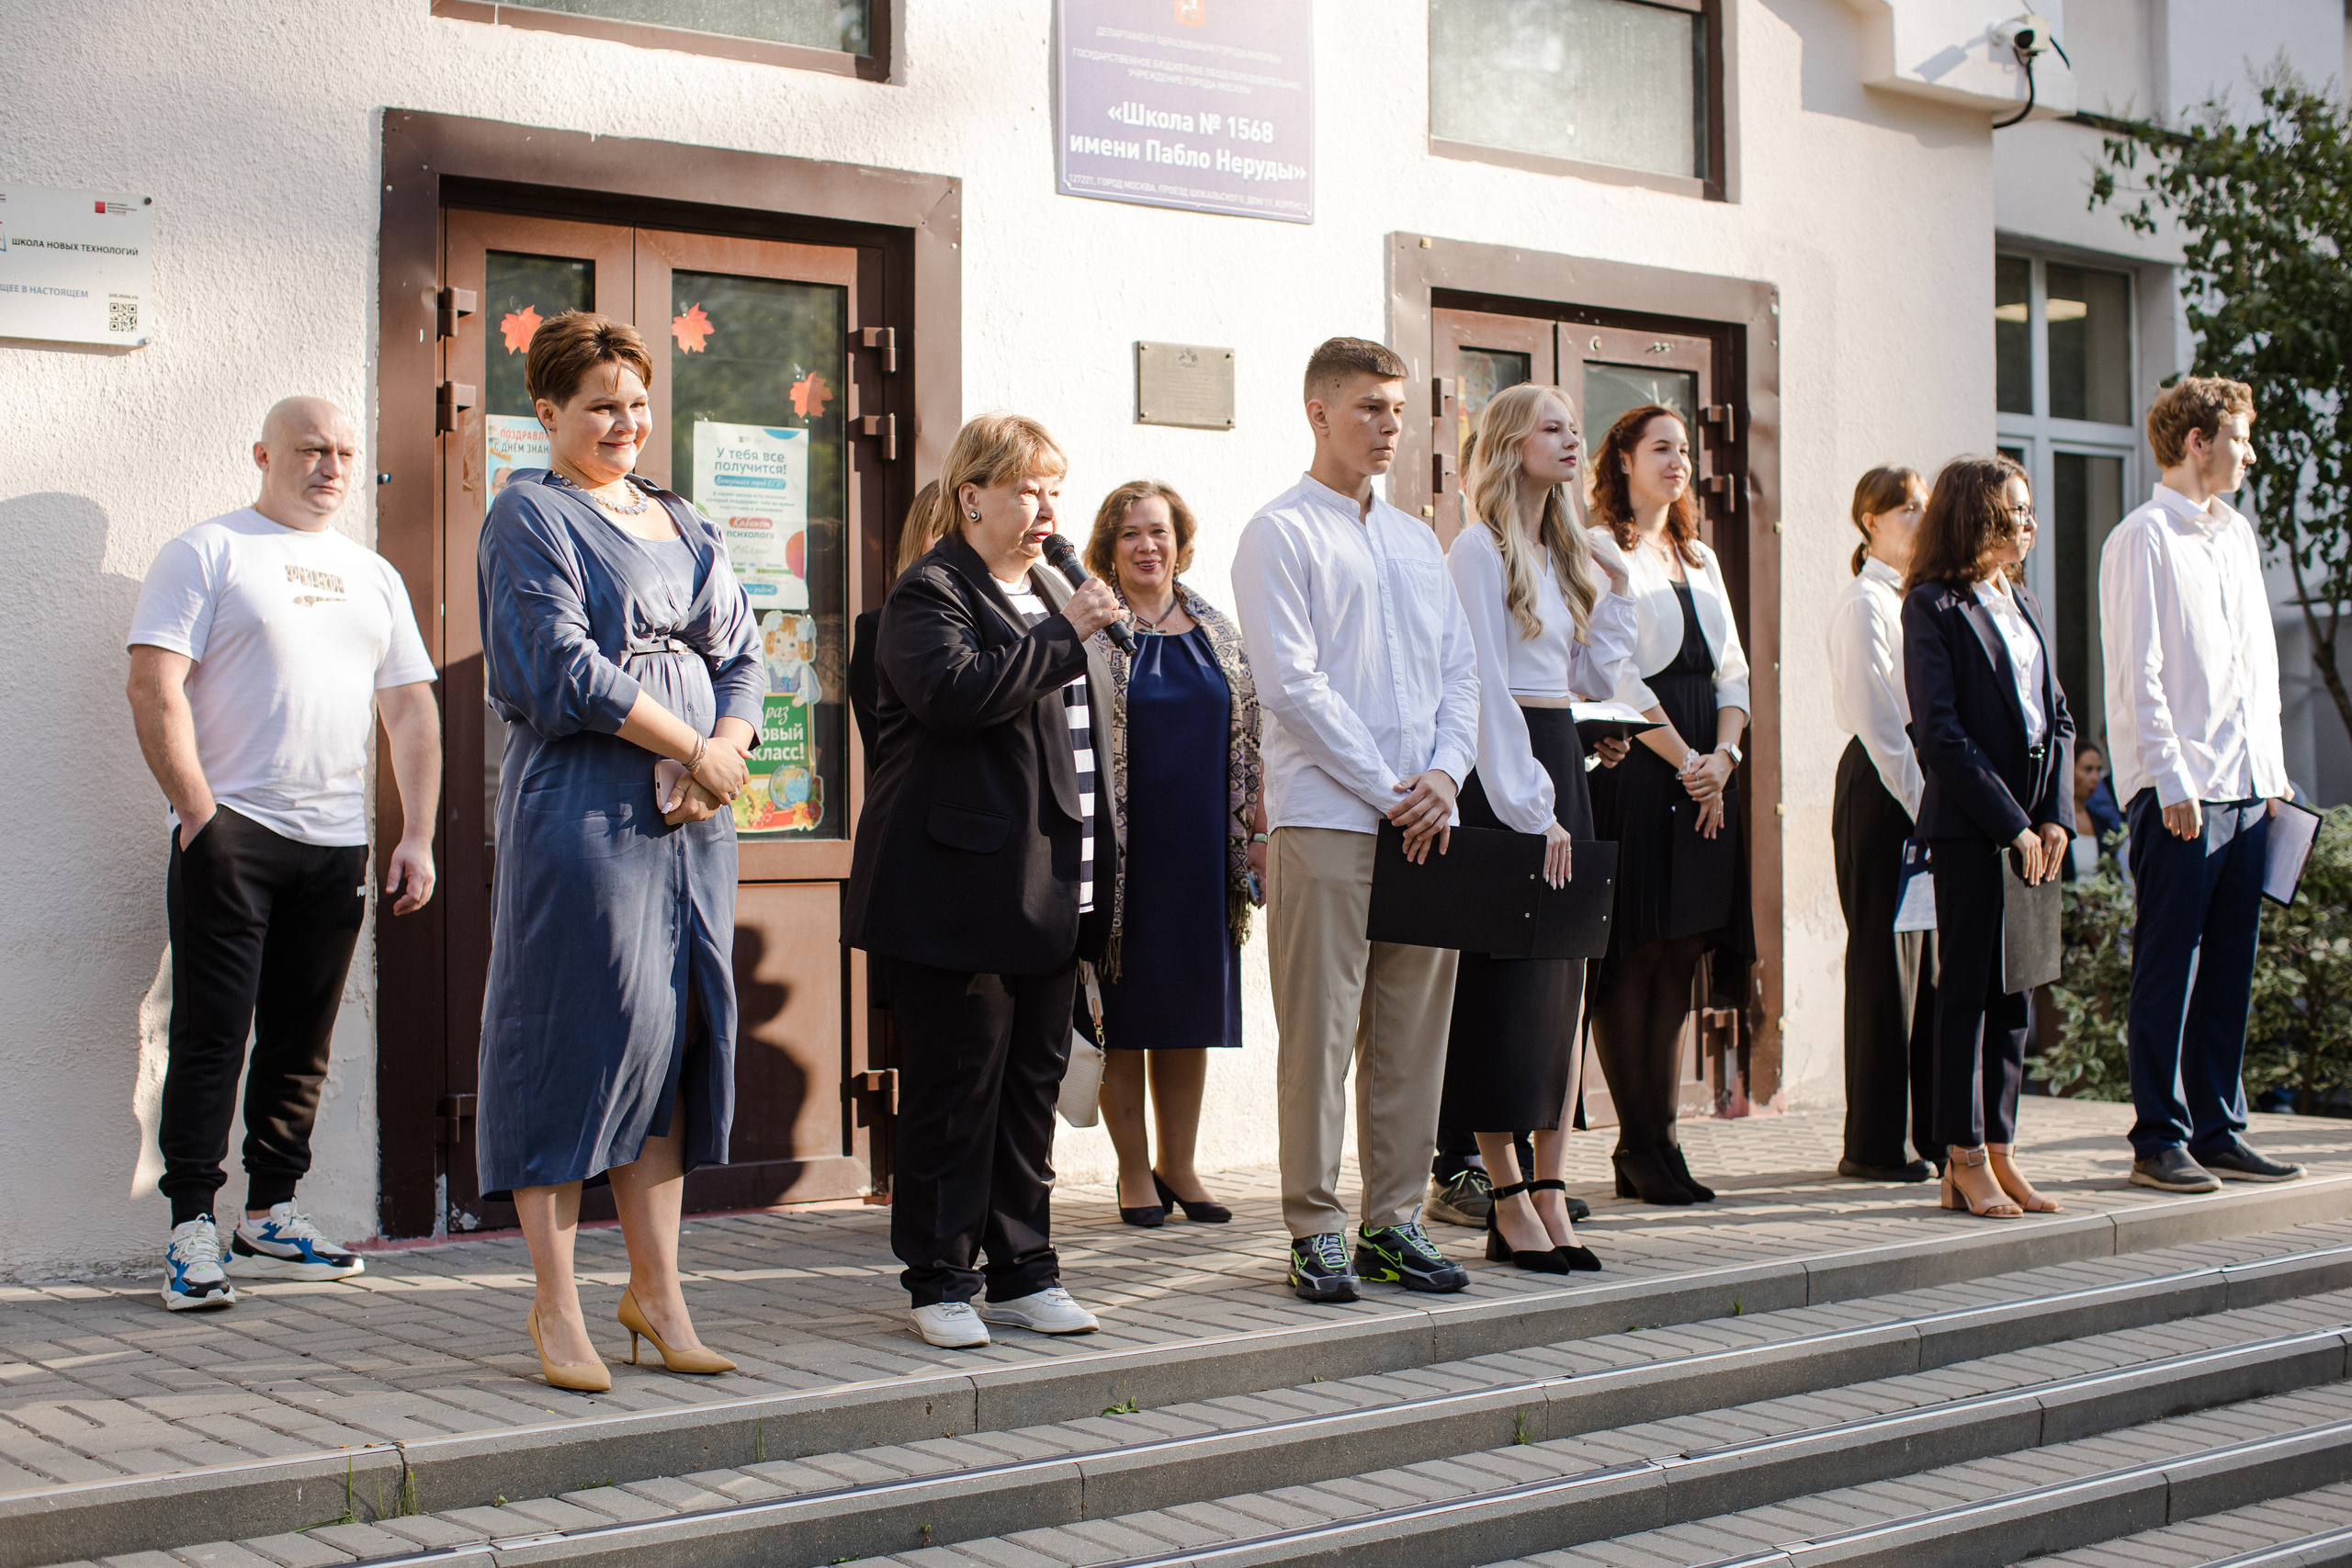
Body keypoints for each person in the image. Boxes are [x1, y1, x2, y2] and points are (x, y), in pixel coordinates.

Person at [476, 311, 762, 1390]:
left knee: (673, 1037)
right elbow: (560, 669)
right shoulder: (528, 516)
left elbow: (742, 655)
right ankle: (556, 1306)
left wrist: (721, 753)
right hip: (588, 812)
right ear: (547, 412)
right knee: (570, 1034)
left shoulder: (684, 521)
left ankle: (658, 1293)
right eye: (600, 406)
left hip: (694, 816)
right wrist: (693, 743)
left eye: (637, 405)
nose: (623, 424)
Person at [127, 397, 442, 1313]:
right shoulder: (208, 551)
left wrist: (415, 833)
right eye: (310, 449)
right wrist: (199, 814)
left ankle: (269, 1212)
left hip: (335, 840)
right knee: (211, 1033)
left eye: (344, 452)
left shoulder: (372, 575)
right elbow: (154, 685)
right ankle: (191, 1225)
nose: (330, 466)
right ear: (264, 453)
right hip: (234, 835)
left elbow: (412, 711)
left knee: (302, 1041)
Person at [843, 412, 1126, 1349]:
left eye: (1055, 488)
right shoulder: (932, 593)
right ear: (973, 498)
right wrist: (1066, 637)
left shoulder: (1051, 586)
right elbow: (958, 696)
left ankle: (1023, 1272)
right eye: (1027, 489)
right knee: (954, 1091)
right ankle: (936, 1279)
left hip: (1054, 886)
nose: (1048, 508)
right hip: (958, 896)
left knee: (1028, 1093)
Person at [1231, 336, 1480, 1304]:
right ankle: (1313, 1227)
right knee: (1321, 1033)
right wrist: (1390, 786)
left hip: (1428, 818)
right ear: (1319, 413)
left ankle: (1394, 1222)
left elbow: (1461, 674)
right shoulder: (1280, 533)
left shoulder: (1419, 540)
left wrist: (1447, 778)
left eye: (1396, 407)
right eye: (1370, 407)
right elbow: (1293, 688)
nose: (1389, 425)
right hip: (1332, 815)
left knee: (1413, 1033)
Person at [1437, 384, 1635, 1273]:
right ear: (1512, 441)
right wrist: (1528, 806)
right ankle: (1505, 1192)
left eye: (1572, 426)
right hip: (1507, 769)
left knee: (1566, 986)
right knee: (1507, 991)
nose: (1571, 439)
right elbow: (1478, 684)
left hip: (1560, 751)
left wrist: (1617, 578)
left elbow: (1599, 671)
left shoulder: (1563, 550)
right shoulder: (1477, 550)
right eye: (1552, 426)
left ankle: (1553, 1186)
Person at [2100, 376, 2303, 1192]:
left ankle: (2219, 1127)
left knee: (2229, 966)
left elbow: (2260, 671)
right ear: (2198, 441)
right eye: (2241, 438)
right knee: (2167, 965)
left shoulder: (2237, 536)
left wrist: (2276, 779)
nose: (2250, 452)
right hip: (2180, 793)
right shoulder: (2141, 538)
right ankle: (2159, 1136)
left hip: (2248, 789)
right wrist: (2172, 779)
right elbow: (2137, 673)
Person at [1080, 479, 1264, 1227]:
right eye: (1130, 534)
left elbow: (1252, 741)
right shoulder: (1094, 628)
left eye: (1158, 531)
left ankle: (1179, 1163)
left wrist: (1254, 835)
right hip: (1123, 850)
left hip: (1202, 848)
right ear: (1108, 547)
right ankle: (1132, 1170)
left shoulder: (1217, 629)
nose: (1146, 545)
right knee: (1125, 1011)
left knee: (1190, 1009)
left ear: (1179, 540)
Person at [1584, 405, 1752, 1207]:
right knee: (1635, 956)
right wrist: (1687, 761)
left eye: (1685, 449)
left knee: (1682, 952)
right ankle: (1635, 1144)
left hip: (1707, 775)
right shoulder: (1599, 548)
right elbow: (1614, 673)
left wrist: (1725, 758)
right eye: (1661, 448)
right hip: (1644, 769)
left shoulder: (1701, 555)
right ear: (1622, 459)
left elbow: (1735, 675)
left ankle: (1668, 1139)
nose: (1678, 461)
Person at [1902, 455, 2073, 1220]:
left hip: (2035, 833)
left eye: (2031, 512)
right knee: (1965, 992)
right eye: (2015, 513)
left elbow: (2059, 718)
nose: (2029, 526)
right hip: (1977, 832)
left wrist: (2055, 818)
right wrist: (2010, 824)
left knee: (2016, 996)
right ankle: (1960, 1155)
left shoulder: (2023, 599)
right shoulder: (1933, 606)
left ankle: (2001, 1149)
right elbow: (1941, 734)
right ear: (1976, 517)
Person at [1826, 465, 1938, 1184]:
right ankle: (1873, 1144)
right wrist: (1925, 800)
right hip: (1883, 787)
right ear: (1870, 520)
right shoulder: (1865, 603)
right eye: (1907, 511)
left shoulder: (1916, 598)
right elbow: (1876, 719)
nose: (1920, 522)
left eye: (1925, 509)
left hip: (1919, 786)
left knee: (1923, 970)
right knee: (1880, 964)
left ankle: (1922, 1133)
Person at [849, 481, 949, 757]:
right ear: (917, 536)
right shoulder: (876, 629)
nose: (952, 545)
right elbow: (884, 752)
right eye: (940, 530)